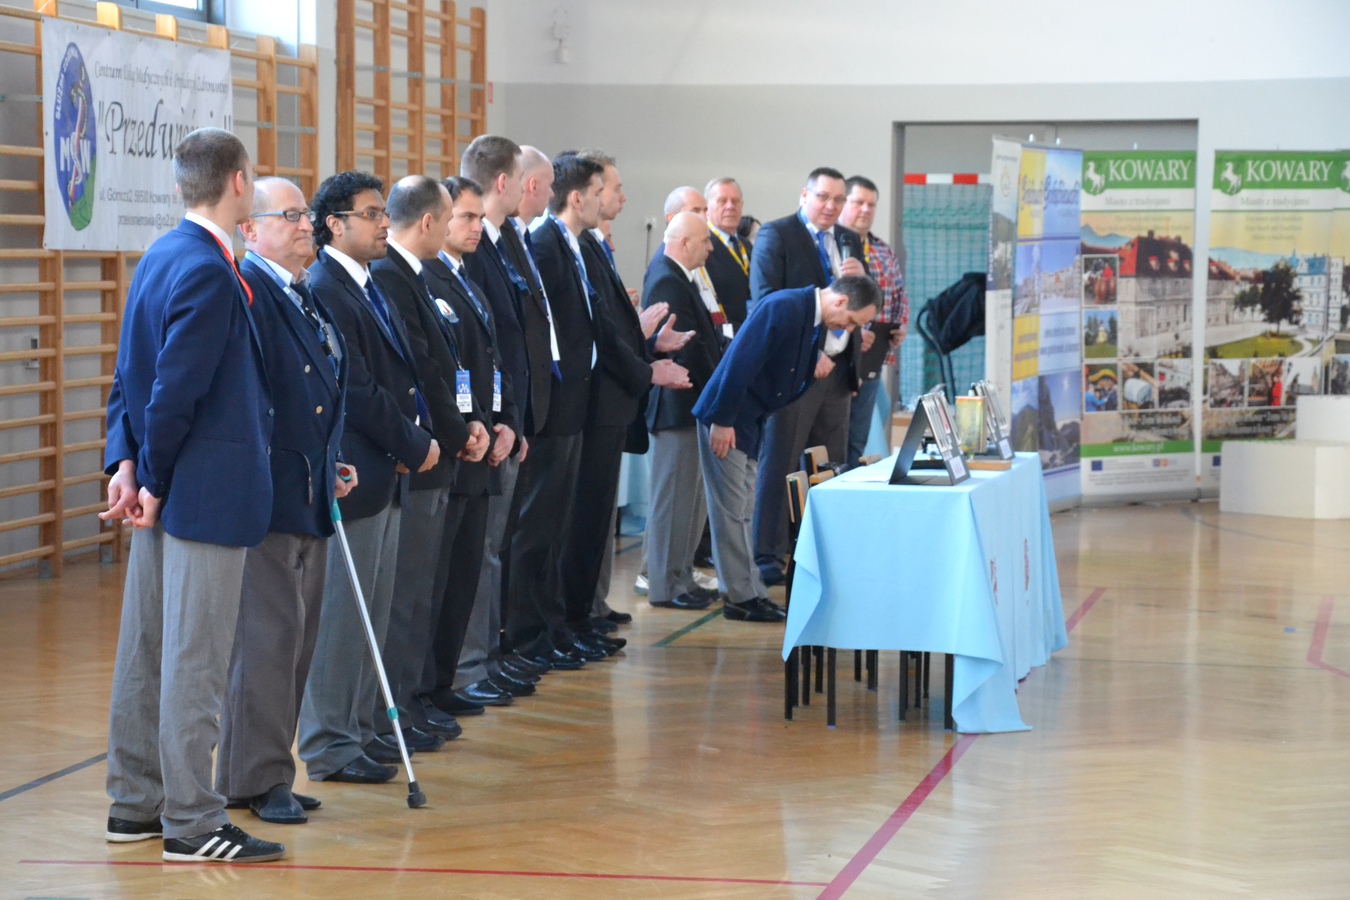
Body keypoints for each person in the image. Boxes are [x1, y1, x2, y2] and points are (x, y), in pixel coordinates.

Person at [101, 127, 284, 863]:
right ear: (238, 182)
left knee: (146, 652)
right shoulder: (208, 268)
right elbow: (174, 390)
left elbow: (127, 376)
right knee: (194, 662)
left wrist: (125, 464)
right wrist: (151, 479)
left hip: (164, 485)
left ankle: (134, 804)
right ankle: (191, 821)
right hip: (197, 495)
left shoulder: (160, 255)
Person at [297, 171, 440, 786]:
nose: (385, 223)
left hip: (387, 467)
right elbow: (353, 388)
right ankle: (328, 743)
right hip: (356, 469)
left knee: (372, 614)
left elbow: (402, 376)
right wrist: (410, 441)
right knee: (342, 616)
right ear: (335, 225)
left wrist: (416, 434)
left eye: (384, 212)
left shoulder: (367, 282)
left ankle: (358, 729)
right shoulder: (326, 287)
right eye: (371, 213)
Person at [216, 177, 349, 827]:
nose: (306, 225)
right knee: (267, 643)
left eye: (306, 214)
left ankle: (264, 770)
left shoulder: (300, 292)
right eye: (290, 215)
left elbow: (317, 395)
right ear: (250, 229)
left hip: (310, 489)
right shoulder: (250, 291)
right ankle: (259, 777)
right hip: (270, 495)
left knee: (295, 641)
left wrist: (331, 461)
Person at [370, 174, 485, 746]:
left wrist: (468, 423)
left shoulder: (414, 274)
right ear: (428, 222)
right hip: (419, 453)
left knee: (424, 591)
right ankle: (395, 707)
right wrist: (458, 431)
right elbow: (419, 367)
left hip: (441, 447)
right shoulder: (391, 275)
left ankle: (413, 696)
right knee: (405, 595)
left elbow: (445, 363)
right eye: (451, 217)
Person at [692, 275, 881, 621]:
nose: (850, 329)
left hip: (749, 421)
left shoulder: (810, 318)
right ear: (840, 301)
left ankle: (751, 592)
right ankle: (740, 598)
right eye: (852, 321)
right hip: (728, 419)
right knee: (731, 511)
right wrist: (721, 419)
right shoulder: (784, 307)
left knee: (743, 510)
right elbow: (739, 362)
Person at [565, 151, 692, 639]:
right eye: (610, 189)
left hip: (611, 401)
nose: (617, 197)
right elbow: (595, 333)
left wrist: (647, 343)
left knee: (597, 520)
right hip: (593, 401)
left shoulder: (594, 246)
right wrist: (644, 359)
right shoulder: (574, 246)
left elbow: (610, 328)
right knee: (580, 521)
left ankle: (590, 607)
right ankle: (575, 615)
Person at [455, 136, 552, 698]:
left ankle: (488, 657)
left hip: (504, 420)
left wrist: (515, 418)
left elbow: (506, 346)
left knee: (493, 550)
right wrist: (496, 418)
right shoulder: (474, 253)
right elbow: (476, 353)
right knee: (481, 552)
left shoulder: (502, 241)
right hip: (482, 426)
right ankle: (471, 664)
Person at [505, 154, 607, 668]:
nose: (549, 196)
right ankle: (529, 635)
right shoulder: (543, 242)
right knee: (535, 530)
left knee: (553, 529)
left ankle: (551, 627)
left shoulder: (553, 242)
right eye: (599, 191)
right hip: (549, 406)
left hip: (568, 402)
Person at [749, 167, 867, 587]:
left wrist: (861, 281)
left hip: (839, 370)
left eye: (838, 199)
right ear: (804, 195)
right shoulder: (777, 235)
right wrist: (808, 353)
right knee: (781, 461)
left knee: (828, 464)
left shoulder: (849, 239)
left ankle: (820, 548)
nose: (831, 206)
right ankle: (768, 554)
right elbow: (766, 304)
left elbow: (857, 301)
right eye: (823, 197)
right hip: (794, 371)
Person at [643, 212, 726, 612]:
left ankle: (680, 576)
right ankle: (664, 583)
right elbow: (687, 347)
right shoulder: (666, 277)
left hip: (691, 401)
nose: (710, 248)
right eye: (705, 240)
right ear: (685, 242)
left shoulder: (680, 275)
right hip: (677, 403)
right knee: (672, 500)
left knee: (688, 503)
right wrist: (719, 389)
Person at [839, 175, 909, 465]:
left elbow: (899, 293)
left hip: (874, 357)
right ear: (844, 203)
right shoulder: (833, 246)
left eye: (871, 205)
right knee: (834, 437)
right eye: (858, 203)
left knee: (858, 435)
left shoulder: (883, 250)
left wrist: (900, 326)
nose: (865, 210)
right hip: (840, 356)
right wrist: (854, 333)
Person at [703, 177, 752, 331]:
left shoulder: (746, 244)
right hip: (723, 334)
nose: (730, 206)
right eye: (722, 201)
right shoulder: (702, 245)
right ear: (707, 208)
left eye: (735, 201)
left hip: (750, 329)